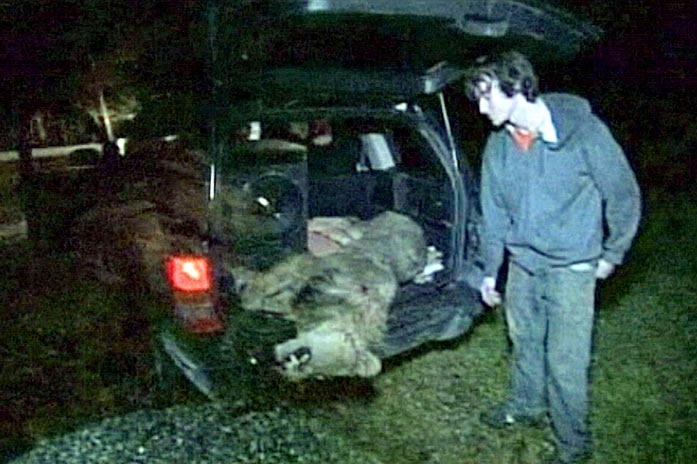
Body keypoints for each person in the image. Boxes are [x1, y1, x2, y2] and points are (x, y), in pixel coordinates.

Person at [464, 51, 641, 463]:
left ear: (517, 87)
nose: (480, 106)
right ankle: (525, 406)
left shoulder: (584, 134)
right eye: (477, 98)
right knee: (524, 341)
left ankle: (573, 446)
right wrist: (491, 271)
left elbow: (623, 195)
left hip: (572, 267)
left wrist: (612, 254)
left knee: (566, 361)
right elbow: (494, 214)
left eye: (487, 95)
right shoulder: (499, 145)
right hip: (523, 265)